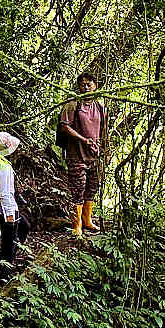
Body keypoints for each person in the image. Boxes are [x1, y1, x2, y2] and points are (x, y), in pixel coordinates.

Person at [58, 74, 108, 236]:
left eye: (89, 84)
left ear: (95, 86)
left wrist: (103, 150)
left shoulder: (100, 107)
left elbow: (103, 131)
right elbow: (64, 126)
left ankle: (87, 220)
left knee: (92, 187)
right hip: (76, 154)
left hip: (94, 155)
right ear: (78, 87)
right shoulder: (72, 104)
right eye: (83, 84)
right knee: (77, 189)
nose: (86, 87)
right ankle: (76, 224)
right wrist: (83, 139)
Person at [0, 133, 21, 264]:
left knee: (24, 226)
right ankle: (5, 272)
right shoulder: (4, 167)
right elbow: (5, 193)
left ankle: (6, 262)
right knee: (8, 245)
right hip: (5, 210)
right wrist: (10, 216)